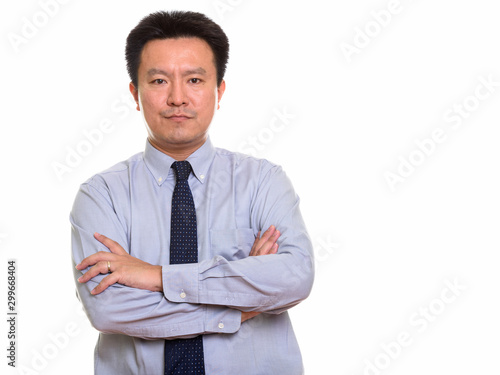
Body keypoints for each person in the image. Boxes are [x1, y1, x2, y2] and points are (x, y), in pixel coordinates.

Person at [71, 10, 314, 374]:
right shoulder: (100, 195)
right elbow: (109, 309)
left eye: (195, 79)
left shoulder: (263, 181)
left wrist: (156, 277)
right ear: (136, 94)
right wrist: (240, 305)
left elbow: (294, 277)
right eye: (158, 81)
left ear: (219, 91)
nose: (177, 98)